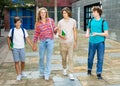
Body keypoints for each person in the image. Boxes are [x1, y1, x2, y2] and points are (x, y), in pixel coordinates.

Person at [33, 7, 57, 80]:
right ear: (39, 14)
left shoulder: (50, 20)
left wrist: (56, 29)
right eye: (41, 13)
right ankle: (42, 71)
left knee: (49, 58)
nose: (43, 14)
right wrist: (34, 44)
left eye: (44, 12)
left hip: (50, 40)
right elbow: (36, 34)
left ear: (46, 13)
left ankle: (47, 73)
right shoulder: (37, 23)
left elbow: (54, 30)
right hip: (42, 41)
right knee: (41, 57)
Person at [85, 6, 109, 80]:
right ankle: (89, 69)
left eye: (94, 12)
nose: (92, 13)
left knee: (100, 58)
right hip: (91, 42)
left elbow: (106, 34)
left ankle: (99, 73)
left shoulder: (103, 22)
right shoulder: (91, 21)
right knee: (90, 58)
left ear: (98, 13)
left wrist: (97, 33)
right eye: (92, 12)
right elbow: (88, 28)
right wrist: (87, 33)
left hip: (100, 43)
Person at [7, 17, 33, 81]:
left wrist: (32, 46)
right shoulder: (12, 30)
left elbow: (27, 38)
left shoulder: (23, 30)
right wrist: (10, 46)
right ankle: (18, 74)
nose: (18, 23)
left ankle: (22, 72)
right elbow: (8, 38)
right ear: (14, 23)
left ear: (21, 23)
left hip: (22, 48)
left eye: (19, 22)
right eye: (16, 22)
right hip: (15, 48)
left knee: (23, 62)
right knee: (16, 62)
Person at [57, 7, 77, 80]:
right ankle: (64, 68)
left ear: (68, 13)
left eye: (65, 13)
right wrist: (61, 36)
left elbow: (75, 31)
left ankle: (71, 73)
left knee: (71, 58)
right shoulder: (60, 22)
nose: (64, 14)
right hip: (62, 43)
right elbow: (58, 33)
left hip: (71, 42)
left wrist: (75, 41)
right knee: (64, 58)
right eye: (63, 13)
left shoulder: (73, 21)